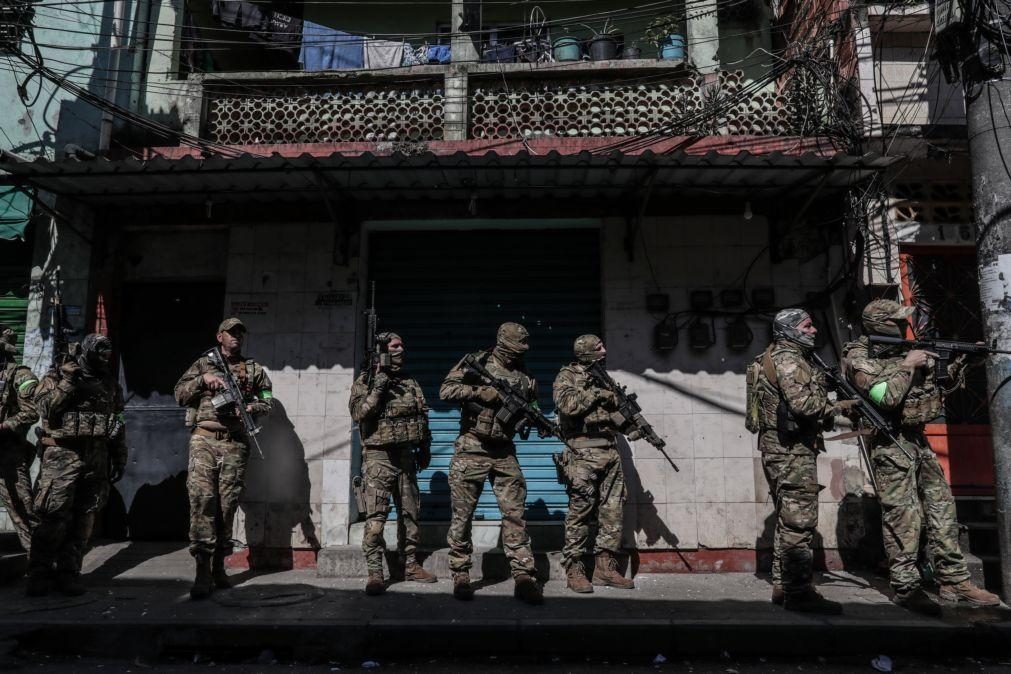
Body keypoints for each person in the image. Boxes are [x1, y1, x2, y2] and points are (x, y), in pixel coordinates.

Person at [842, 299, 999, 615]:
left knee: (941, 506)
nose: (905, 325)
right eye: (899, 321)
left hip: (917, 438)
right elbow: (885, 397)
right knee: (903, 515)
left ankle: (954, 580)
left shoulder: (904, 349)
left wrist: (962, 361)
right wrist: (908, 364)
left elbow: (939, 386)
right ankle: (907, 586)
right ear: (881, 326)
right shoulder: (860, 358)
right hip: (890, 442)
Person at [748, 308, 843, 614]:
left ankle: (782, 584)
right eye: (807, 325)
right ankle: (798, 592)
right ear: (789, 330)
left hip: (782, 449)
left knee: (788, 521)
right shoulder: (789, 360)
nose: (814, 330)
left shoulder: (774, 356)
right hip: (791, 451)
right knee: (800, 522)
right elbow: (804, 406)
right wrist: (838, 406)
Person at [439, 322, 542, 605]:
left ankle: (523, 575)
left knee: (514, 514)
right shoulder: (478, 363)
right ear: (505, 342)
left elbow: (533, 405)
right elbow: (446, 391)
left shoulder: (525, 376)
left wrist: (535, 418)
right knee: (463, 515)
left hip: (504, 451)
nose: (523, 348)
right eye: (519, 342)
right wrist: (478, 393)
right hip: (472, 447)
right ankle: (460, 574)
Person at [174, 318, 272, 600]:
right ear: (220, 336)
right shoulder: (203, 364)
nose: (236, 338)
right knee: (202, 501)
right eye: (231, 333)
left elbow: (268, 398)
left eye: (240, 333)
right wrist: (202, 380)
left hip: (235, 443)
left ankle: (218, 568)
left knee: (227, 506)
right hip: (204, 439)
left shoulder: (253, 369)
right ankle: (201, 572)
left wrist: (253, 406)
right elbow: (179, 394)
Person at [28, 333, 127, 597]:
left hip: (96, 457)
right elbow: (46, 410)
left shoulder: (109, 384)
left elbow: (116, 422)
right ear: (86, 351)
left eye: (108, 352)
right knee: (53, 516)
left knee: (84, 518)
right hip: (62, 456)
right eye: (100, 351)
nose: (105, 357)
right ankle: (39, 573)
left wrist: (119, 455)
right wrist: (68, 381)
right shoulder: (57, 377)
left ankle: (69, 573)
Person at [349, 331, 436, 595]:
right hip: (379, 459)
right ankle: (375, 573)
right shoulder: (366, 381)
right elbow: (358, 413)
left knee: (410, 516)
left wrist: (425, 447)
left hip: (406, 457)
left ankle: (409, 565)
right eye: (395, 346)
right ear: (383, 352)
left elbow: (421, 414)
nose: (401, 349)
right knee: (375, 520)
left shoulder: (410, 382)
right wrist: (379, 385)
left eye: (402, 345)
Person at [553, 334, 636, 594]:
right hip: (582, 453)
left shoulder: (604, 377)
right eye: (599, 347)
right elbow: (567, 406)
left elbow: (611, 412)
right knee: (580, 511)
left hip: (609, 452)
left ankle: (605, 568)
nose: (605, 350)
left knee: (612, 512)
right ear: (586, 352)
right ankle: (574, 569)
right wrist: (597, 394)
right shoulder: (566, 376)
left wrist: (629, 423)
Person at [0, 325, 39, 553]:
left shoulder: (20, 374)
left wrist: (5, 425)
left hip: (8, 452)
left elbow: (31, 412)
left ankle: (39, 562)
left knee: (22, 508)